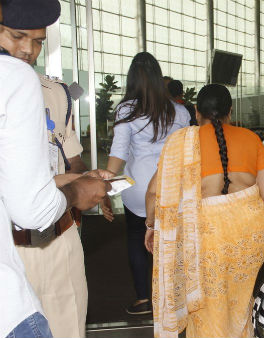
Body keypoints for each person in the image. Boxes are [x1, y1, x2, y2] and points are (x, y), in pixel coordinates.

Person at [144, 84, 264, 338]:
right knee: (239, 302)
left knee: (206, 306)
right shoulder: (252, 139)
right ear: (230, 111)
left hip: (205, 238)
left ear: (196, 112)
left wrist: (151, 226)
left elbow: (155, 192)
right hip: (248, 237)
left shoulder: (181, 142)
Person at [0, 0, 113, 336]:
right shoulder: (15, 81)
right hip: (14, 244)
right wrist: (77, 190)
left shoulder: (56, 93)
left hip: (57, 234)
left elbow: (68, 154)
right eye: (16, 36)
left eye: (37, 41)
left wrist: (83, 179)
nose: (27, 51)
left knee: (68, 323)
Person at [100, 52, 190, 315]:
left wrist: (105, 185)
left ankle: (143, 299)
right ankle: (173, 298)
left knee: (137, 237)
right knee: (172, 240)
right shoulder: (180, 111)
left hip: (138, 188)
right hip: (171, 187)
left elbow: (119, 153)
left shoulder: (126, 109)